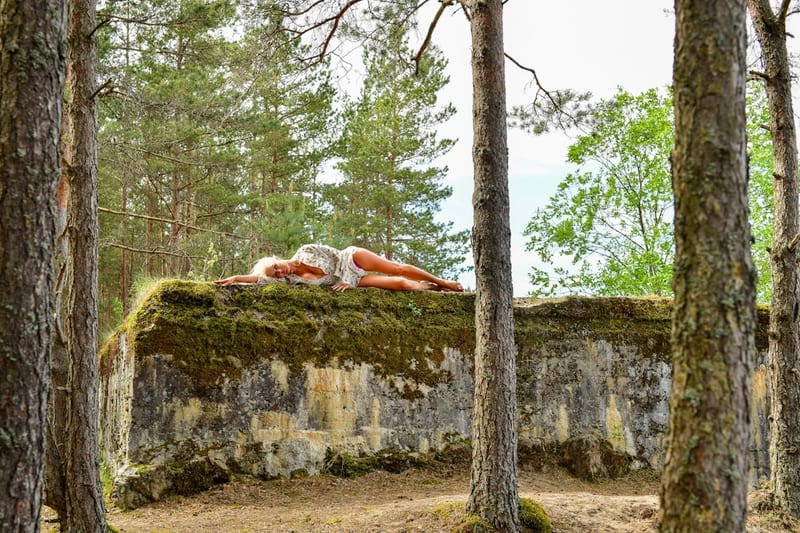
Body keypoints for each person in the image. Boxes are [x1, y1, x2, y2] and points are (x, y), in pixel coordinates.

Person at [214, 244, 464, 292]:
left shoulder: (305, 251)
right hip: (351, 282)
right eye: (276, 274)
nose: (280, 272)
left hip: (351, 261)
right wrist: (235, 277)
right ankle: (434, 290)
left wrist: (345, 277)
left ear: (278, 259)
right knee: (402, 285)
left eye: (277, 267)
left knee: (398, 269)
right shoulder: (294, 281)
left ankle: (445, 283)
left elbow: (333, 256)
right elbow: (259, 281)